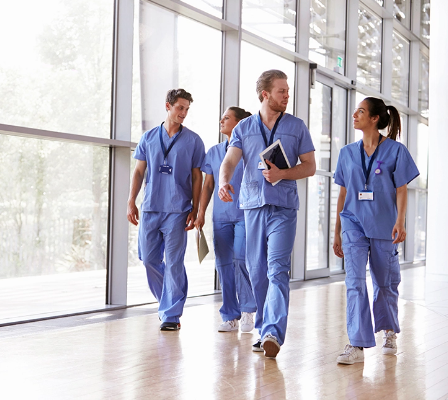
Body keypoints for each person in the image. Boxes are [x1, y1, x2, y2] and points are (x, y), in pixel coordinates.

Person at [218, 70, 316, 358]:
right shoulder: (244, 128)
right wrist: (224, 181)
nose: (287, 96)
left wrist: (283, 173)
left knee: (277, 269)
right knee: (258, 272)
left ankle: (273, 330)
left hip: (284, 208)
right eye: (282, 91)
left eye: (287, 91)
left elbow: (309, 166)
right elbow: (229, 161)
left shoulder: (297, 127)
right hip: (252, 207)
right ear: (265, 94)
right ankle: (263, 329)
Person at [332, 96, 419, 364]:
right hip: (353, 224)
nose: (355, 114)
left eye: (361, 111)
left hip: (384, 224)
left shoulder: (396, 151)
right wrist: (336, 231)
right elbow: (343, 192)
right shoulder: (347, 153)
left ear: (375, 119)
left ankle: (389, 330)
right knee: (354, 282)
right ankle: (356, 344)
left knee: (385, 283)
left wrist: (400, 221)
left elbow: (402, 189)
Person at [127, 88, 205, 331]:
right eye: (180, 107)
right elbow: (139, 171)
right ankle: (167, 302)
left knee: (173, 262)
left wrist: (195, 207)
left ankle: (171, 314)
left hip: (178, 209)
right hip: (151, 207)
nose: (183, 113)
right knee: (149, 259)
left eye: (187, 109)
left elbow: (197, 177)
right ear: (168, 106)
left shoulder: (193, 140)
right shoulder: (148, 138)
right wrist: (131, 200)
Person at [195, 107, 257, 333]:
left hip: (245, 214)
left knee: (241, 259)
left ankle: (249, 310)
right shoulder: (213, 152)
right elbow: (208, 185)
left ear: (240, 123)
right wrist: (201, 213)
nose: (221, 120)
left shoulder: (250, 150)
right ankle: (230, 314)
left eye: (227, 117)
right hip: (220, 217)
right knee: (223, 265)